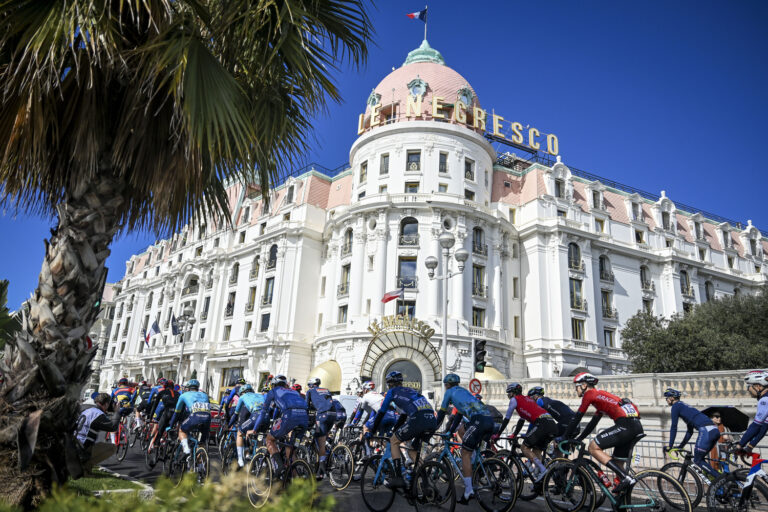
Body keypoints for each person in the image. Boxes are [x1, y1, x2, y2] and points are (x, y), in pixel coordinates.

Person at [565, 372, 643, 496]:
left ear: (584, 385)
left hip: (625, 425)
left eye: (577, 386)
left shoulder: (590, 394)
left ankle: (626, 477)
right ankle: (619, 503)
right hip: (636, 425)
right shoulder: (600, 396)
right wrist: (579, 438)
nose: (576, 389)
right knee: (618, 463)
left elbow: (577, 418)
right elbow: (593, 423)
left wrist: (565, 438)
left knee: (593, 447)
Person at [371, 371, 437, 488]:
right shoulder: (411, 391)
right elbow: (403, 416)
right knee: (412, 451)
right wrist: (394, 431)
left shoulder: (392, 392)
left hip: (419, 419)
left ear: (389, 383)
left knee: (394, 441)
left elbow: (381, 413)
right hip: (432, 419)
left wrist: (372, 431)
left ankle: (398, 478)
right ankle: (426, 482)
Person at [435, 373, 494, 505]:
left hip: (479, 420)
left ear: (447, 385)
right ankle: (475, 463)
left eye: (445, 385)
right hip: (489, 420)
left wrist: (433, 427)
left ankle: (468, 490)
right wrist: (450, 431)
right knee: (463, 431)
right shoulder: (464, 392)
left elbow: (442, 412)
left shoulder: (450, 392)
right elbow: (458, 416)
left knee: (464, 453)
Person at [493, 383, 557, 483]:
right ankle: (540, 479)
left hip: (542, 423)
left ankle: (543, 470)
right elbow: (521, 421)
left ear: (512, 393)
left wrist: (498, 434)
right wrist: (514, 434)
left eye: (509, 394)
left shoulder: (515, 400)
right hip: (551, 423)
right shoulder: (527, 399)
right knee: (536, 450)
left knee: (524, 448)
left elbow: (507, 419)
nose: (508, 396)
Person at [253, 374, 309, 475]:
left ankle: (279, 468)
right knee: (290, 448)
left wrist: (255, 429)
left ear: (273, 385)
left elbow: (263, 412)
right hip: (305, 418)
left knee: (269, 439)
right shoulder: (294, 392)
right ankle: (296, 479)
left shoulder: (273, 391)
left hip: (290, 417)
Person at [662, 388, 720, 480]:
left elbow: (674, 426)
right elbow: (690, 432)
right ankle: (718, 486)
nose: (666, 400)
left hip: (705, 431)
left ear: (672, 398)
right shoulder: (685, 407)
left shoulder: (676, 406)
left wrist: (670, 446)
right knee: (701, 459)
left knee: (697, 460)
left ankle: (721, 479)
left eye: (667, 398)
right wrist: (681, 446)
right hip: (714, 430)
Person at [74, 393, 123, 471]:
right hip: (81, 449)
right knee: (112, 448)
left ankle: (81, 464)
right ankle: (84, 467)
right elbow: (113, 427)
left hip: (75, 444)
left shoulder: (89, 410)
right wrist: (117, 412)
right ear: (106, 404)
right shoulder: (97, 414)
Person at [167, 379, 212, 460]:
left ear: (187, 388)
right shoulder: (205, 395)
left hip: (195, 416)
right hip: (207, 418)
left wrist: (171, 425)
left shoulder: (183, 395)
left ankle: (186, 450)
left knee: (182, 430)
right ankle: (200, 465)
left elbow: (177, 413)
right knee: (201, 444)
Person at [229, 384, 266, 469]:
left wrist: (229, 425)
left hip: (256, 416)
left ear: (241, 392)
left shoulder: (242, 397)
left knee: (240, 432)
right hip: (266, 417)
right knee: (259, 435)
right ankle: (261, 460)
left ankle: (240, 460)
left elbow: (235, 414)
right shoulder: (260, 395)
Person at [305, 378, 335, 478]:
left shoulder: (310, 391)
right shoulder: (326, 390)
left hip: (322, 415)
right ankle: (331, 452)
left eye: (309, 385)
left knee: (320, 441)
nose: (309, 387)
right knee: (325, 436)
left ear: (312, 385)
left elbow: (306, 407)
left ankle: (322, 469)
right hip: (333, 415)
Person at [736, 370, 768, 454]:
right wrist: (750, 446)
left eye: (749, 387)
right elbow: (764, 427)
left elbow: (755, 426)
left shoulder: (765, 400)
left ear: (757, 386)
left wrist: (739, 445)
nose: (748, 390)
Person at [148, 379, 178, 451]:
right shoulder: (178, 393)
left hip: (167, 412)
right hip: (175, 414)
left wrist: (150, 417)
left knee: (160, 430)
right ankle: (172, 440)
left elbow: (155, 406)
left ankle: (156, 445)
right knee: (172, 427)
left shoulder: (162, 392)